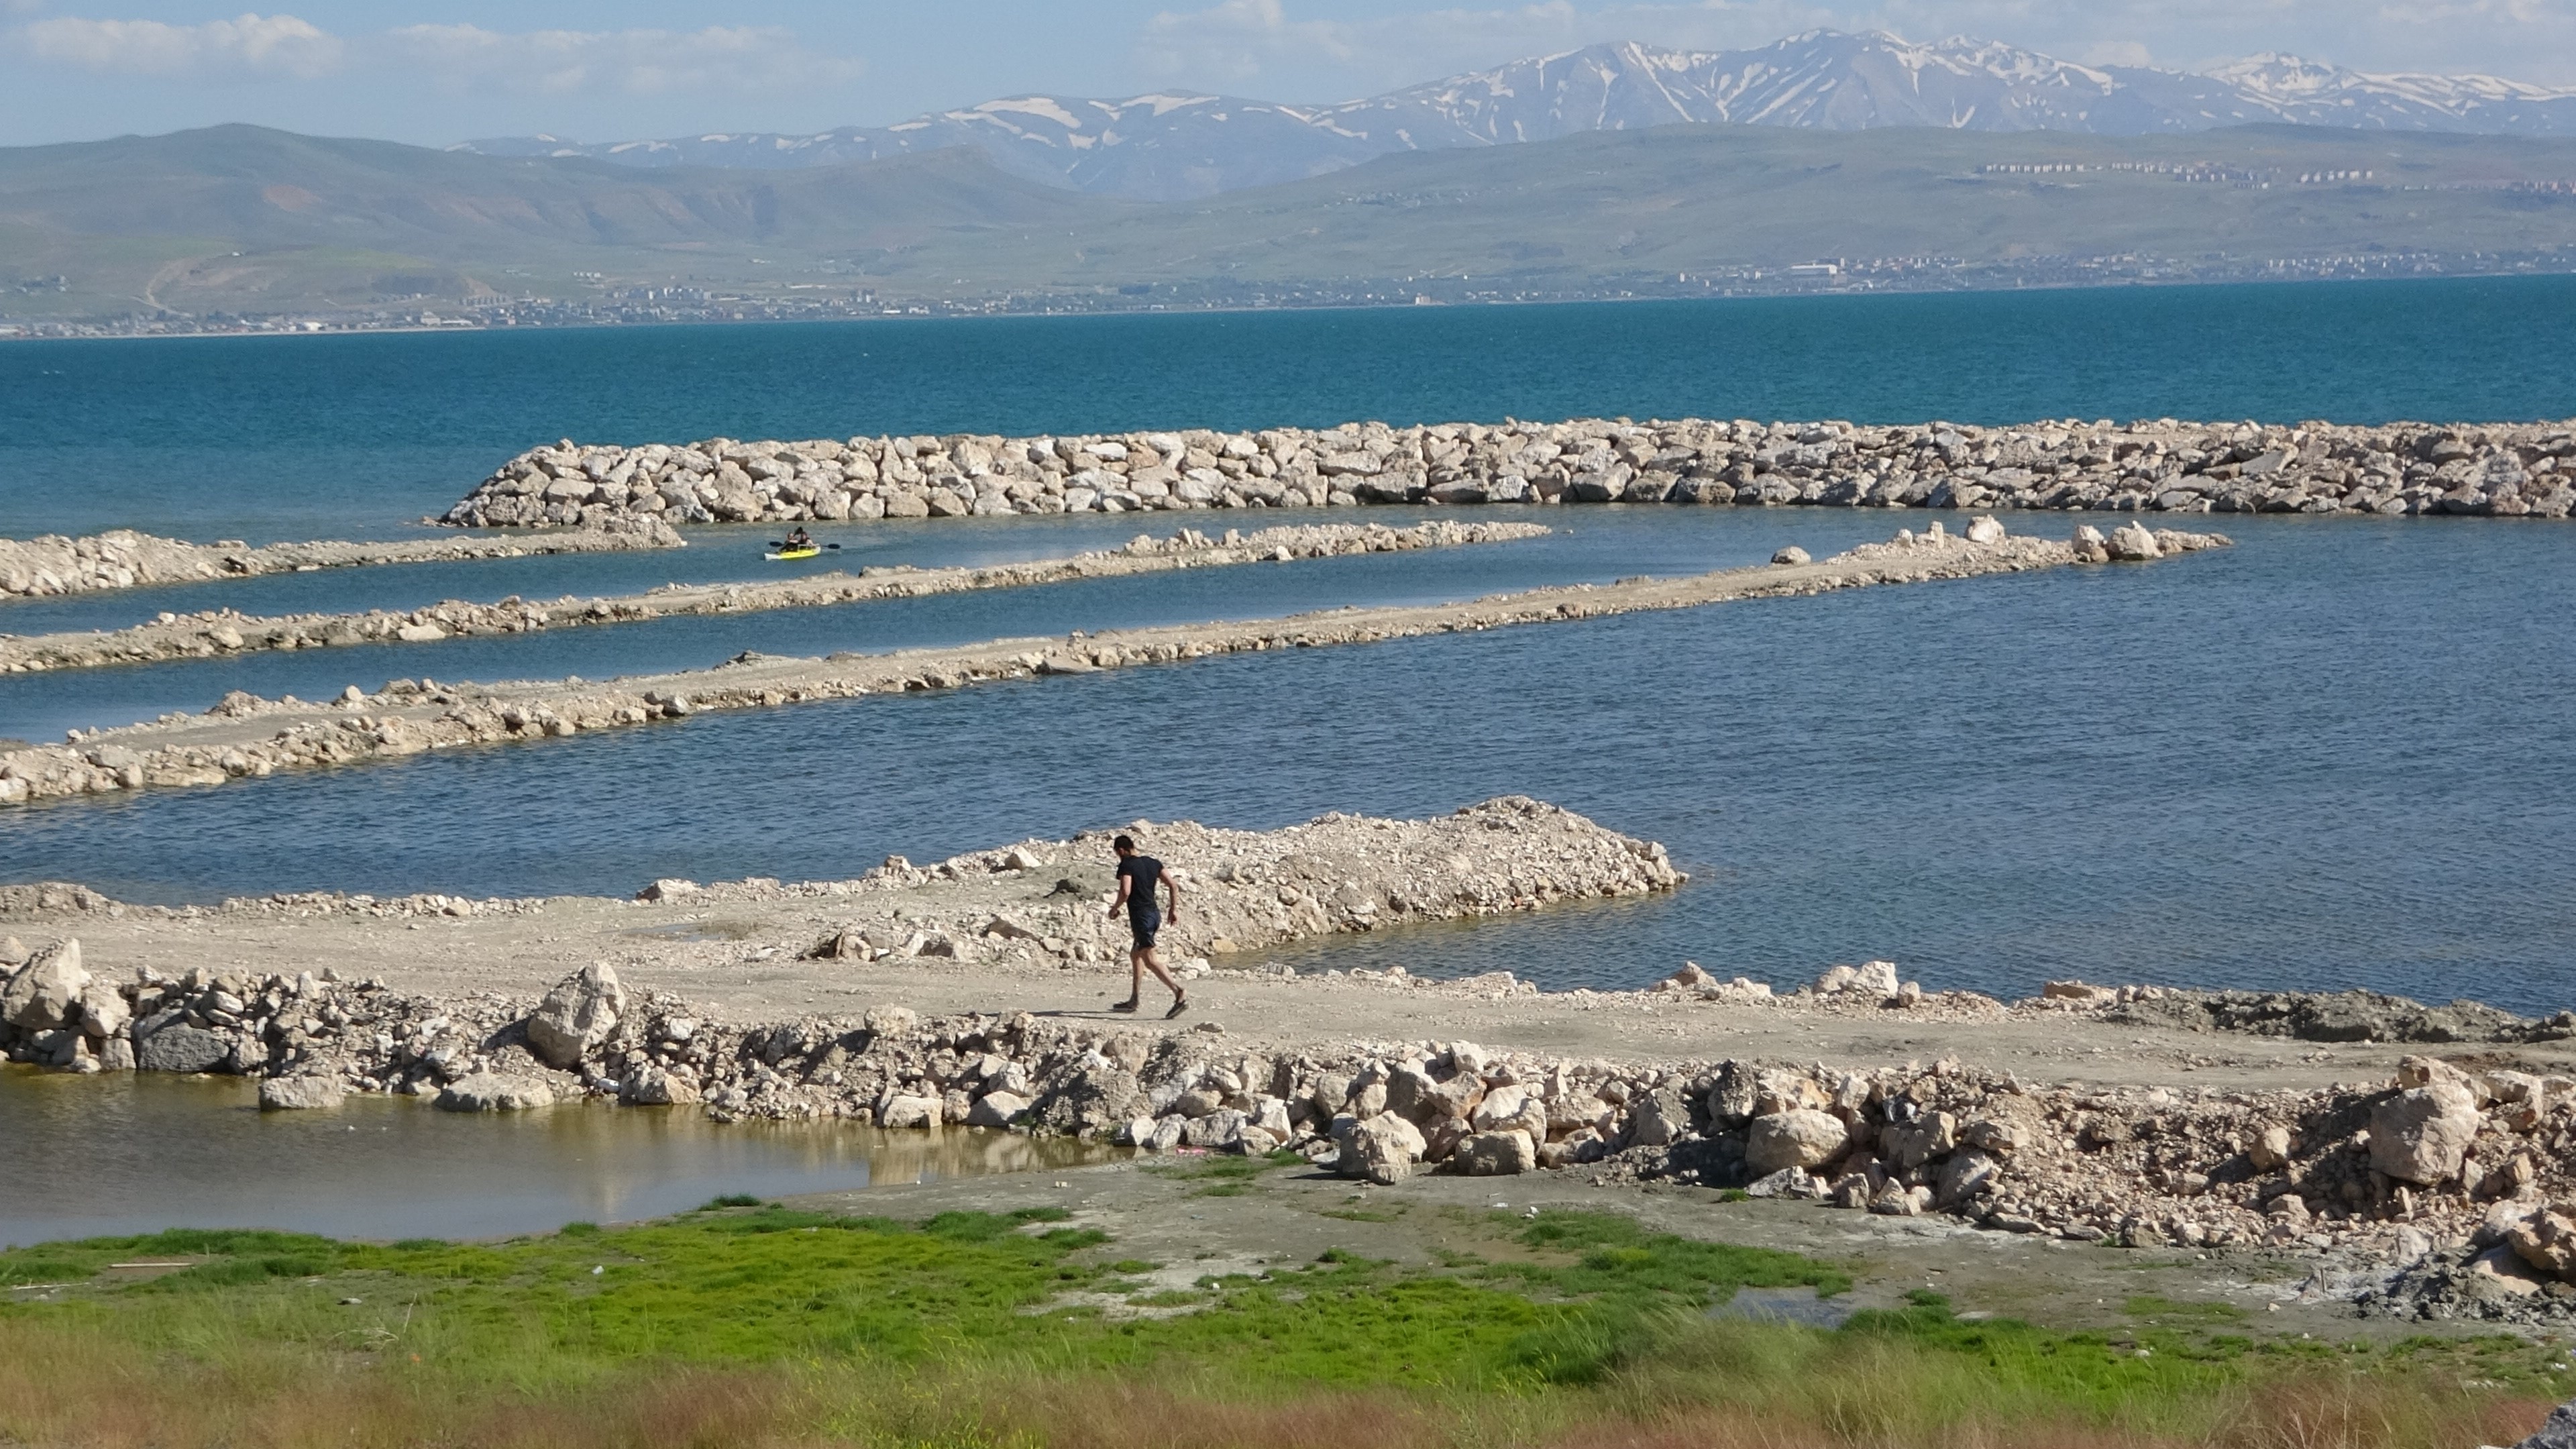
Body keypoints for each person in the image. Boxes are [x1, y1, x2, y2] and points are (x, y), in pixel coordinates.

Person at [1106, 833, 1186, 1018]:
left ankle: (1178, 991)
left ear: (1121, 851)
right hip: (1154, 914)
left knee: (1149, 958)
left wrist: (1114, 908)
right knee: (1136, 954)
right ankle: (1134, 999)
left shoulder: (1126, 865)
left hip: (1141, 917)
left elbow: (1126, 890)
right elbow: (1173, 885)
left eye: (1118, 854)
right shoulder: (1153, 862)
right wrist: (1173, 910)